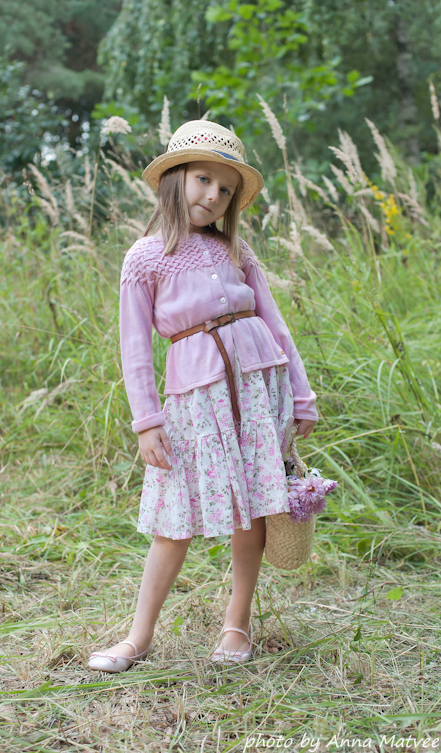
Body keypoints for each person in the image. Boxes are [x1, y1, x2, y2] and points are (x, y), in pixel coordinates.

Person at [88, 120, 318, 673]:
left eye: (225, 188)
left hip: (259, 389)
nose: (213, 195)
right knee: (174, 517)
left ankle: (237, 624)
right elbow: (134, 348)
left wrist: (302, 394)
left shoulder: (237, 250)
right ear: (176, 178)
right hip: (195, 398)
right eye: (203, 180)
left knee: (252, 509)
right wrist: (147, 421)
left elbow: (276, 325)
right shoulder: (145, 257)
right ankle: (138, 636)